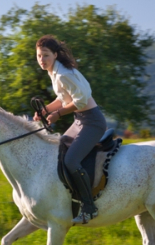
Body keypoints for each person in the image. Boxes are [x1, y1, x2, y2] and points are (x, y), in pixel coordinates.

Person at [34, 35, 107, 224]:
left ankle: (89, 207)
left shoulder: (63, 73)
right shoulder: (55, 72)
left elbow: (81, 101)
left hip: (92, 121)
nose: (42, 60)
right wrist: (46, 110)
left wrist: (58, 114)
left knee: (71, 160)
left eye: (46, 55)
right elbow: (63, 98)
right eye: (39, 56)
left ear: (55, 55)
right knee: (59, 152)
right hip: (80, 120)